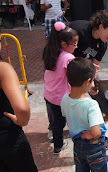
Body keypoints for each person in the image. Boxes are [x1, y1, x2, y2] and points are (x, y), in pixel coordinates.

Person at [0, 17, 38, 172]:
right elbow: (21, 108)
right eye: (0, 40)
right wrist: (22, 120)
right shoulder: (0, 68)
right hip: (8, 136)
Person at [69, 10, 108, 150]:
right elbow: (65, 55)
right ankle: (94, 135)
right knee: (76, 99)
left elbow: (95, 65)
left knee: (98, 85)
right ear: (101, 27)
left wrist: (92, 81)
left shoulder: (103, 43)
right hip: (65, 63)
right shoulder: (80, 31)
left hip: (83, 65)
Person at [61, 57, 108, 172]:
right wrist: (91, 135)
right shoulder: (91, 105)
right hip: (94, 146)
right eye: (93, 81)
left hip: (77, 145)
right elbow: (96, 133)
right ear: (87, 82)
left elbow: (67, 118)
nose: (93, 84)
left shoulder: (65, 99)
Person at [43, 21, 79, 154]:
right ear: (64, 44)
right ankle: (78, 145)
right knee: (71, 122)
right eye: (74, 44)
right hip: (61, 98)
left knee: (56, 123)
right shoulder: (68, 57)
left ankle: (58, 146)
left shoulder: (51, 51)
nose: (76, 47)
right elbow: (73, 78)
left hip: (49, 95)